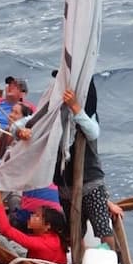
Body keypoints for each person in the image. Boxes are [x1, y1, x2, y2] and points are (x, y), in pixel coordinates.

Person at [54, 79, 123, 254]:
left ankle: (110, 262)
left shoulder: (88, 115)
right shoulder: (56, 117)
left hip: (90, 182)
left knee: (103, 230)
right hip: (65, 186)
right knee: (74, 232)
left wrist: (75, 107)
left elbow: (92, 132)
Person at [0, 191, 68, 264]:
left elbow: (5, 229)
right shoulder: (55, 238)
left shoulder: (42, 243)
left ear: (47, 226)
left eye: (37, 216)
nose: (31, 216)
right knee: (13, 244)